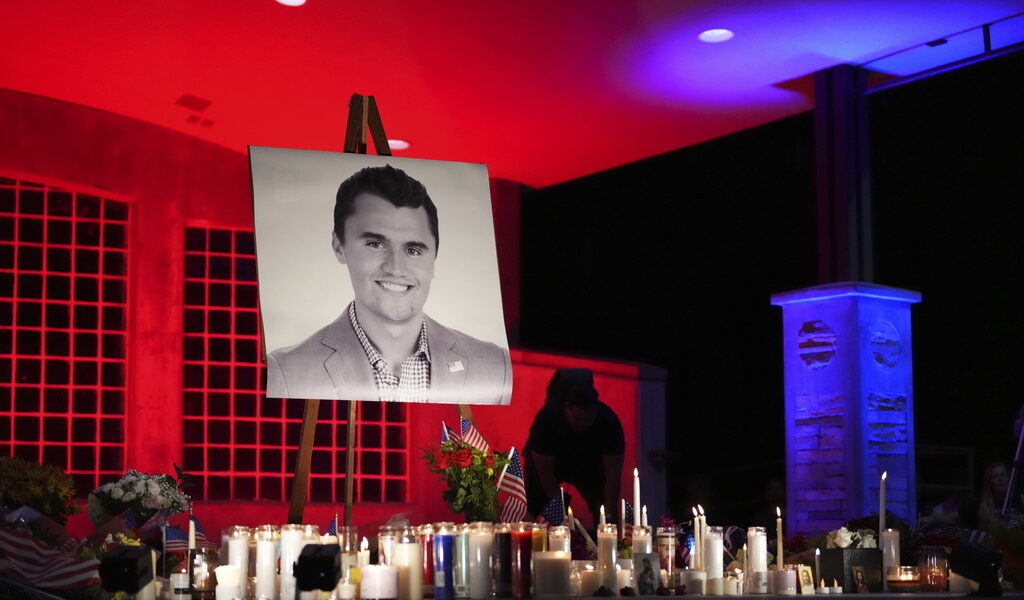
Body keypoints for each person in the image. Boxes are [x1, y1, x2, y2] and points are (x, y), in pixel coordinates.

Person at [266, 164, 511, 404]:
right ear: (338, 246)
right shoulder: (286, 372)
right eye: (375, 244)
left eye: (413, 250)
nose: (395, 268)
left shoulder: (495, 368)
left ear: (434, 256)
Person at [523, 369, 625, 521]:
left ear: (595, 411)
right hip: (551, 463)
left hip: (588, 463)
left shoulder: (609, 422)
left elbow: (612, 474)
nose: (582, 424)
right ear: (567, 409)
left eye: (588, 419)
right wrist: (562, 514)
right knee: (536, 506)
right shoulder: (546, 420)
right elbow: (545, 472)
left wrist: (609, 515)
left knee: (603, 506)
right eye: (577, 419)